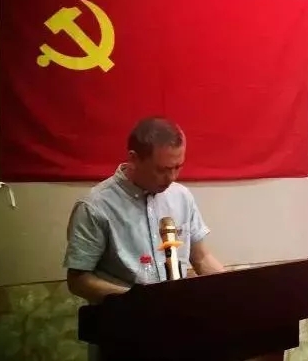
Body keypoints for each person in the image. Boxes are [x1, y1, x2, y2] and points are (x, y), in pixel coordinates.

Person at [63, 117, 226, 359]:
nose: (172, 177)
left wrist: (233, 292)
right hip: (123, 334)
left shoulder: (181, 197)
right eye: (162, 169)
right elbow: (78, 280)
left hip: (177, 331)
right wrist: (138, 300)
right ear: (134, 158)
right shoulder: (95, 206)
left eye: (178, 167)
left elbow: (201, 258)